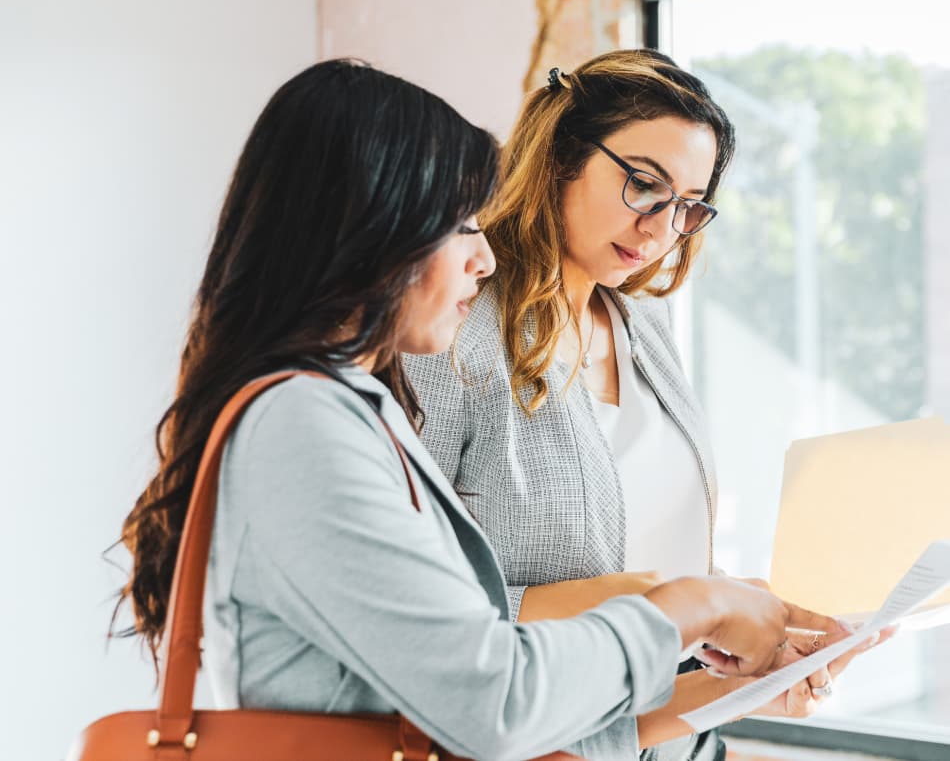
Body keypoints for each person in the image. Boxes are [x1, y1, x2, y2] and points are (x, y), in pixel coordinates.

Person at [116, 58, 841, 761]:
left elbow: (484, 675)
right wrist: (687, 606)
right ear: (375, 231)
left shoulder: (336, 409)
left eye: (686, 206)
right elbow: (493, 698)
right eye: (460, 223)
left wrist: (728, 681)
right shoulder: (301, 424)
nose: (484, 255)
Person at [403, 50, 881, 759]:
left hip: (676, 742)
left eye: (688, 206)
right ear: (561, 158)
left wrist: (744, 652)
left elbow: (659, 550)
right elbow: (421, 609)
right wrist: (677, 599)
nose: (660, 229)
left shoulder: (644, 328)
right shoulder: (452, 333)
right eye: (643, 185)